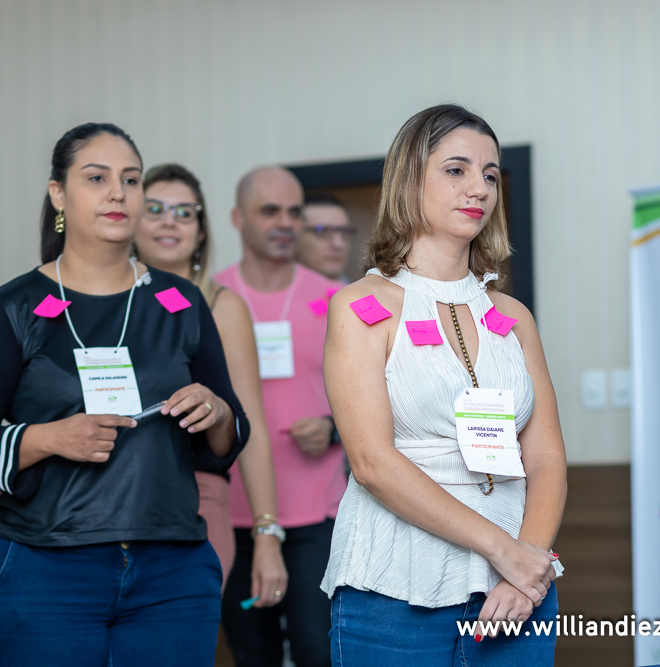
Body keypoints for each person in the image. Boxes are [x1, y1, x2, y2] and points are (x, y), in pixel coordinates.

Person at [0, 123, 249, 667]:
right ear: (58, 193)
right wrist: (49, 438)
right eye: (96, 178)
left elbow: (229, 430)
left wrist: (217, 411)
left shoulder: (181, 301)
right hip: (44, 568)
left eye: (130, 179)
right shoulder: (14, 306)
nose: (117, 193)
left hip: (172, 569)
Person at [321, 104, 567, 666]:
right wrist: (503, 550)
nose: (477, 187)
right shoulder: (362, 305)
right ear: (409, 180)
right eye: (455, 170)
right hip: (394, 588)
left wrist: (525, 567)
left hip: (518, 592)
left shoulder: (514, 315)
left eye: (490, 174)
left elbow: (547, 456)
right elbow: (371, 463)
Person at [133, 162, 288, 604]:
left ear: (201, 231)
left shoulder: (221, 307)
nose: (169, 220)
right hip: (105, 500)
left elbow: (249, 425)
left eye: (185, 212)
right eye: (156, 208)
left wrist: (266, 534)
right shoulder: (101, 302)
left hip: (195, 500)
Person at [215, 166, 346, 667]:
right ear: (237, 218)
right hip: (232, 515)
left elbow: (378, 399)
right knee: (253, 653)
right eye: (270, 210)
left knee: (320, 650)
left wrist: (334, 429)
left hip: (319, 514)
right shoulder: (210, 299)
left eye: (294, 212)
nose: (284, 222)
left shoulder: (335, 300)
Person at [295, 193, 356, 282]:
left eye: (345, 232)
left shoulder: (366, 294)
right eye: (323, 231)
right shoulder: (276, 294)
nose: (339, 244)